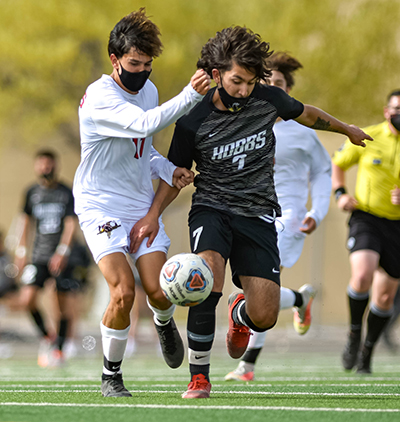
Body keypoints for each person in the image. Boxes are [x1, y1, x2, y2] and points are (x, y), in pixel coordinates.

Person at [131, 26, 371, 399]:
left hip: (258, 214)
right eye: (237, 81)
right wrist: (152, 215)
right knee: (205, 281)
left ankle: (239, 313)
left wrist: (346, 129)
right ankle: (199, 377)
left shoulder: (268, 98)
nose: (244, 90)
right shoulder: (193, 117)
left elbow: (307, 113)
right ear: (216, 75)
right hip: (211, 209)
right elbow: (174, 176)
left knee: (266, 315)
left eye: (249, 82)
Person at [73, 9, 211, 397]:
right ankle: (111, 376)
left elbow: (142, 148)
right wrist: (190, 95)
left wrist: (168, 170)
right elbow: (144, 125)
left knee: (159, 290)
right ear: (114, 60)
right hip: (100, 205)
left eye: (148, 64)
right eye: (134, 63)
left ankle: (164, 322)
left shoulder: (146, 91)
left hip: (138, 202)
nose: (143, 71)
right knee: (123, 290)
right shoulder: (100, 97)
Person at [225, 52, 332, 382]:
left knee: (260, 287)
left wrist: (318, 211)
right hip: (251, 215)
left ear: (288, 90)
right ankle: (301, 298)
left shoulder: (303, 130)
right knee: (255, 290)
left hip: (289, 217)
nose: (273, 89)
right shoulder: (245, 123)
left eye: (280, 84)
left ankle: (247, 366)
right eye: (267, 83)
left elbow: (323, 171)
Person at [332, 89, 400, 374]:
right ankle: (353, 333)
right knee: (362, 275)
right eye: (397, 108)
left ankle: (367, 352)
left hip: (397, 226)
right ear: (387, 111)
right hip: (367, 218)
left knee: (384, 298)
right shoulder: (369, 137)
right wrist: (340, 194)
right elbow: (338, 163)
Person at [14, 149, 80, 367]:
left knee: (61, 305)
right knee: (27, 299)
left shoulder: (65, 192)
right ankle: (47, 336)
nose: (45, 168)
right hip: (38, 256)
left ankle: (59, 349)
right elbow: (25, 222)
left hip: (60, 257)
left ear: (55, 165)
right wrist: (21, 251)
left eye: (49, 164)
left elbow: (71, 224)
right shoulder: (31, 192)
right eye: (42, 164)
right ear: (36, 166)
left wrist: (62, 251)